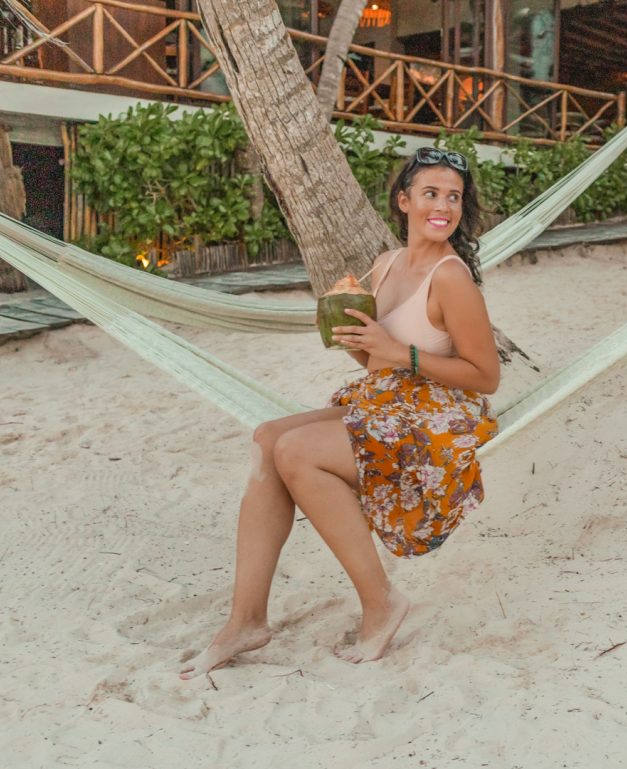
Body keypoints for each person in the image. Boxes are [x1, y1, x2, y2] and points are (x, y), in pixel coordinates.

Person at [179, 147, 500, 679]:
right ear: (404, 201)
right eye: (430, 194)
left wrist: (402, 354)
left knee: (298, 452)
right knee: (267, 438)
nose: (443, 206)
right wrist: (347, 333)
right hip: (387, 401)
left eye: (453, 197)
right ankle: (245, 620)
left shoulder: (451, 278)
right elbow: (372, 358)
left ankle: (381, 602)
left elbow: (486, 376)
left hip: (440, 417)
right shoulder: (385, 265)